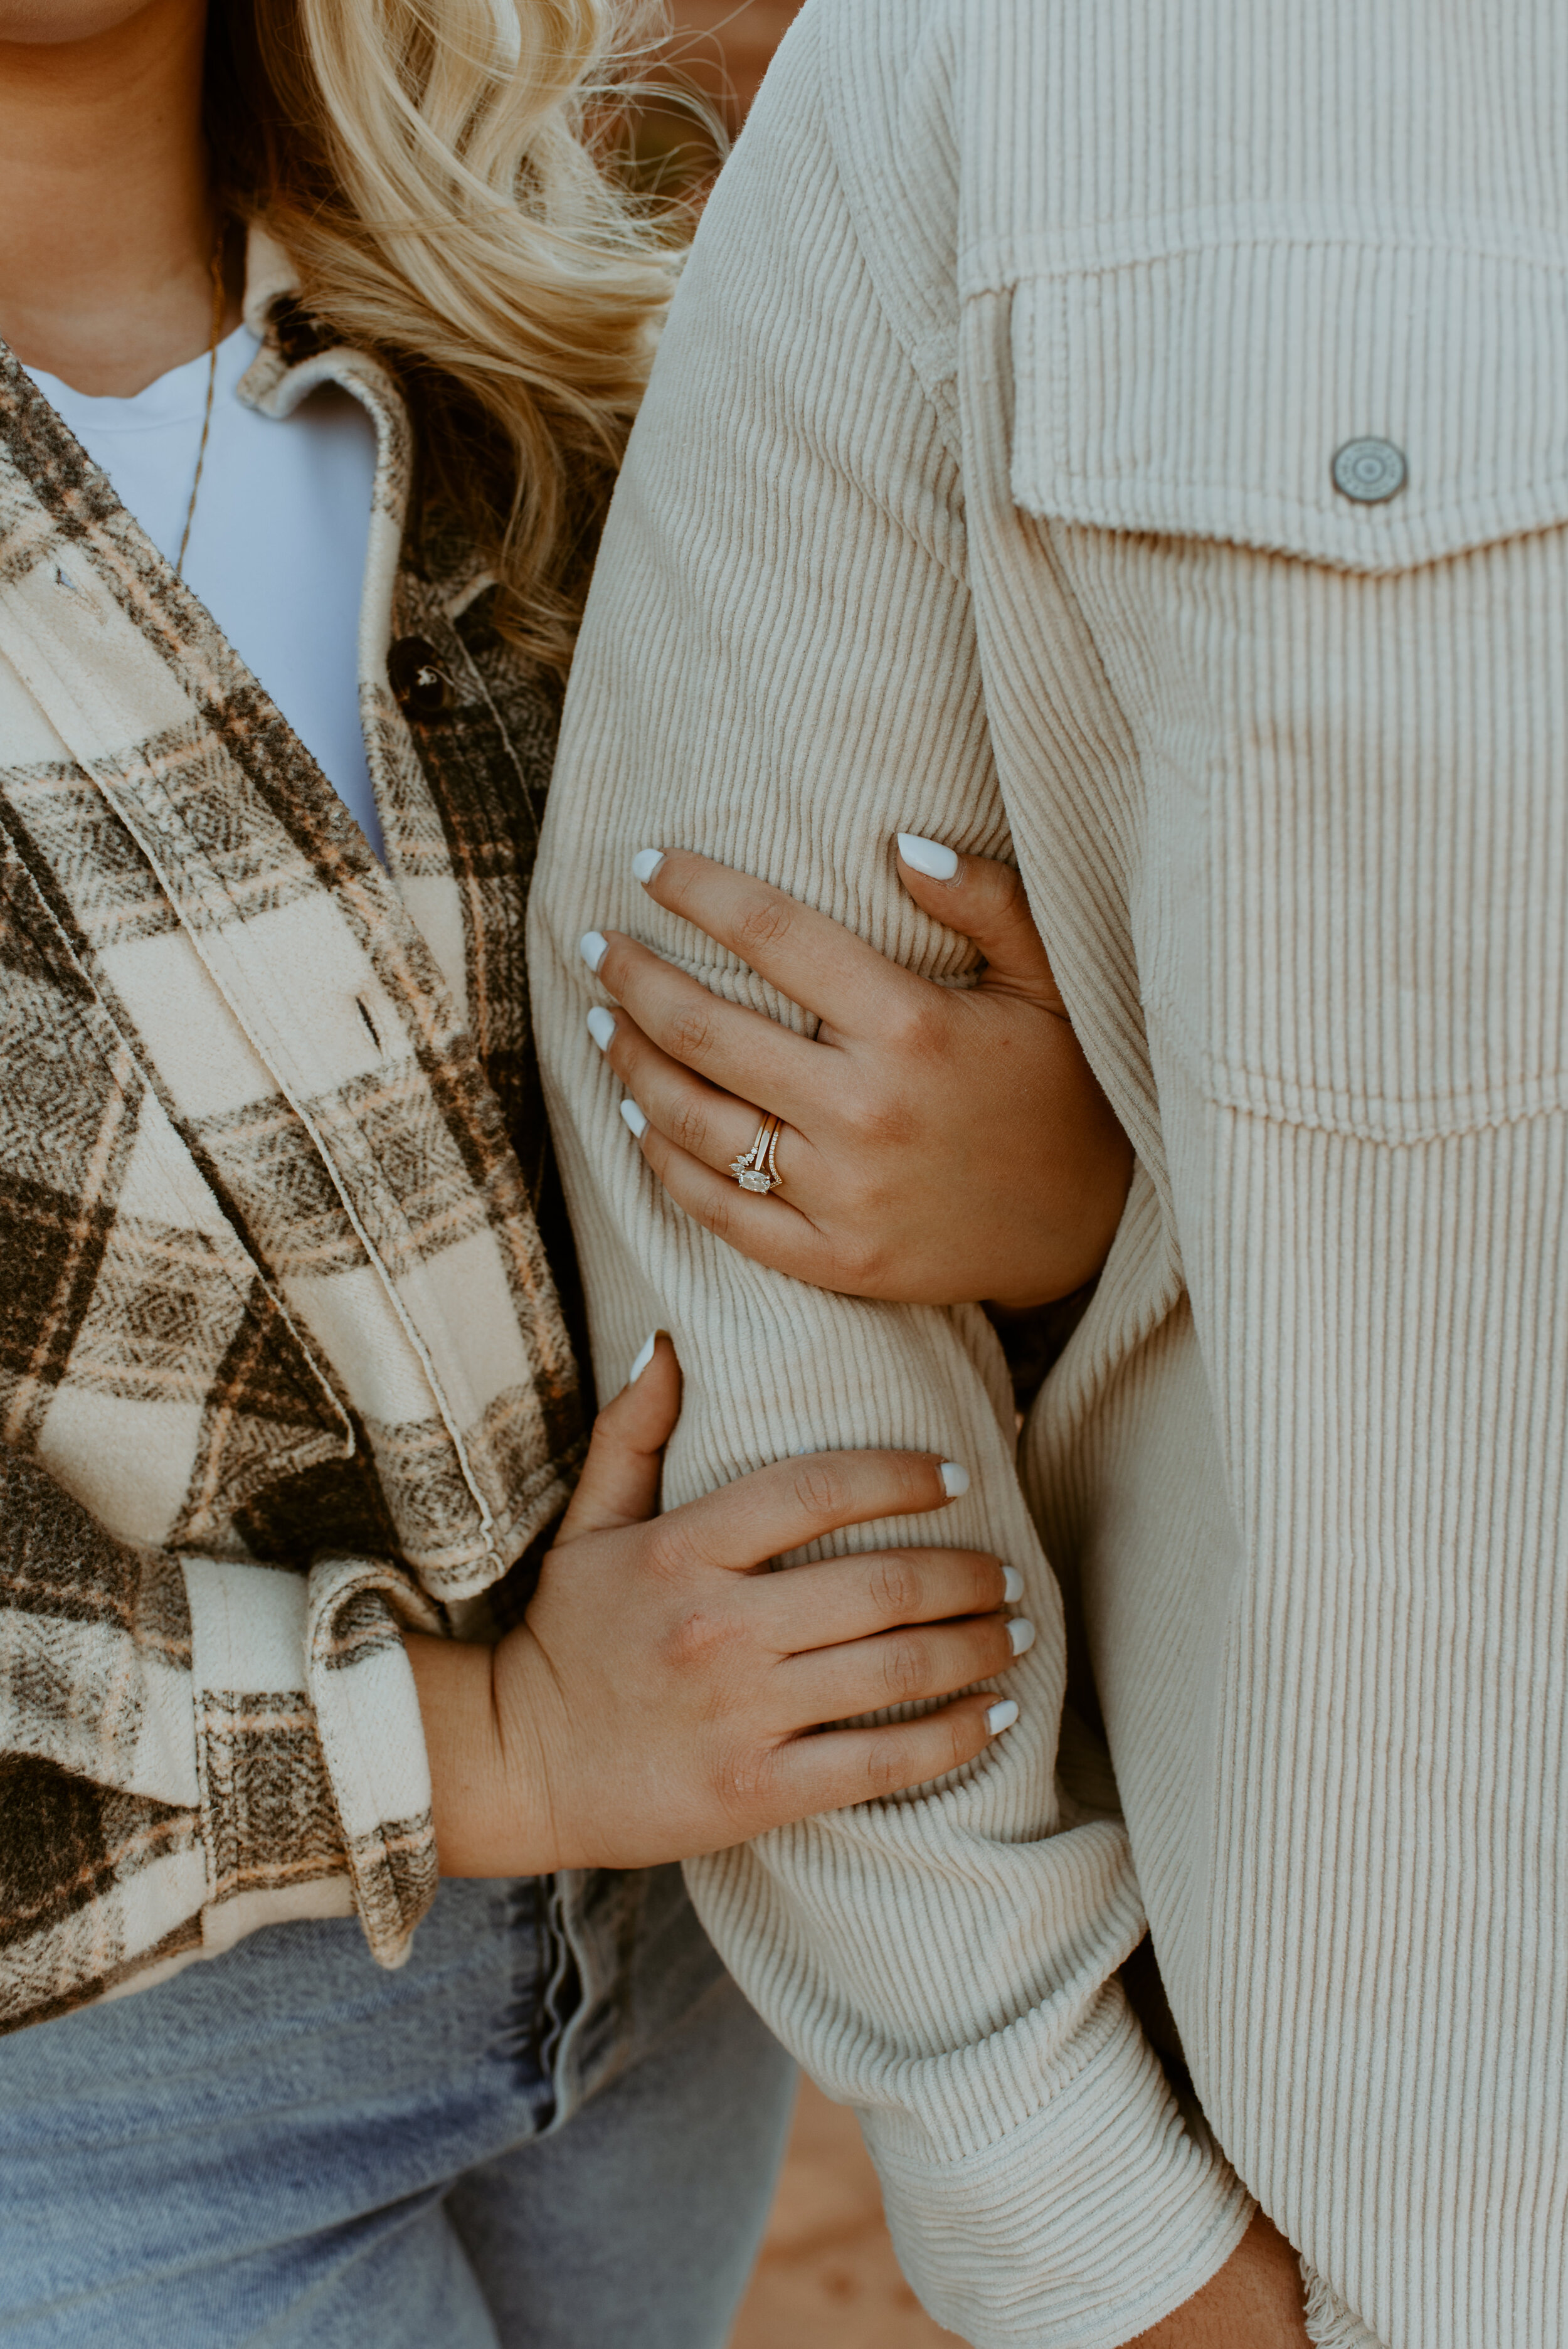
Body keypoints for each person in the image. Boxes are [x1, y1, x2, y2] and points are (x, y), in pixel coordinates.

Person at [0, 3, 1125, 2340]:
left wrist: (1065, 1203)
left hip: (684, 1945)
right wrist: (486, 1742)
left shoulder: (585, 368)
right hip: (95, 2071)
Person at [530, 1, 1568, 2344]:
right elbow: (738, 1176)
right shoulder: (999, 81)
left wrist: (1139, 1213)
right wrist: (1091, 2222)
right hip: (1450, 2214)